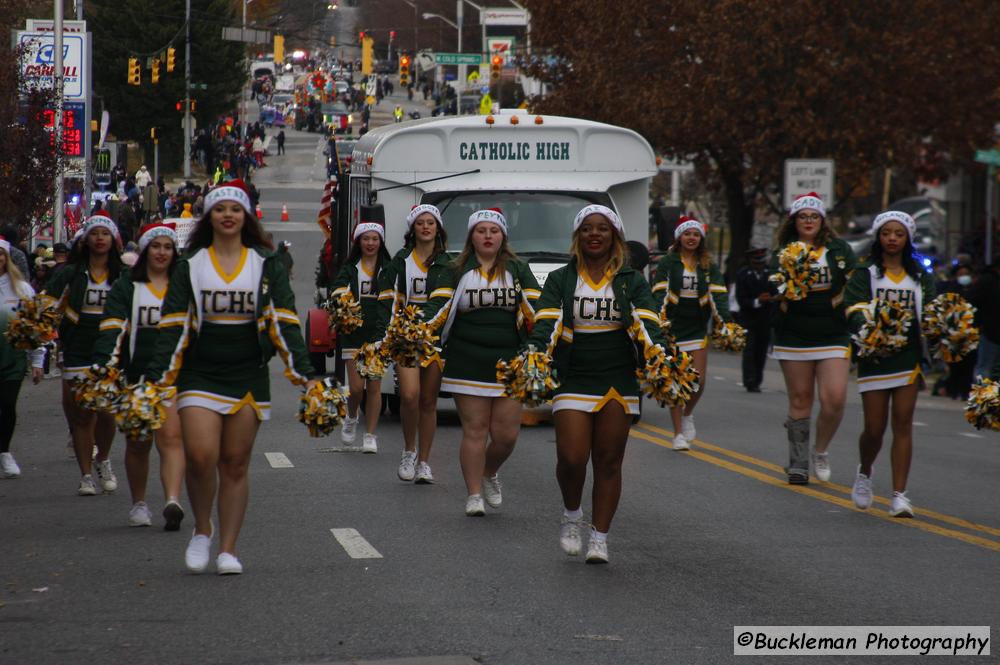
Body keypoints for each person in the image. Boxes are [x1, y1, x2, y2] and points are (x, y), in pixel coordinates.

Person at [144, 180, 316, 575]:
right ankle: (202, 529)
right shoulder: (191, 265)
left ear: (246, 217)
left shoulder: (265, 264)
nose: (227, 215)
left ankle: (228, 549)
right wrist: (157, 379)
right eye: (220, 208)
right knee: (202, 457)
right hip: (199, 373)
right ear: (210, 216)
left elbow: (285, 322)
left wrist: (306, 375)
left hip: (247, 374)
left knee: (235, 463)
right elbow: (172, 326)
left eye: (235, 209)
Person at [523, 205, 668, 563]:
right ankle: (572, 513)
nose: (594, 234)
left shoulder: (630, 280)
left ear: (614, 236)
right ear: (578, 236)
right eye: (587, 228)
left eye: (602, 228)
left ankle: (600, 537)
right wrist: (536, 352)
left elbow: (647, 321)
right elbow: (547, 321)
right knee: (571, 458)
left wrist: (659, 353)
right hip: (574, 373)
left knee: (608, 460)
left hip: (618, 375)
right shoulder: (560, 278)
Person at [421, 208, 541, 516]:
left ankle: (489, 472)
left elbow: (537, 308)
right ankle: (473, 494)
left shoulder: (518, 268)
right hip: (467, 357)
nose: (488, 236)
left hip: (509, 359)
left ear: (503, 236)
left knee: (506, 436)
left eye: (494, 231)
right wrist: (416, 328)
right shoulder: (454, 268)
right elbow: (439, 306)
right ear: (471, 236)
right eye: (481, 230)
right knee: (475, 429)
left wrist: (539, 343)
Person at [92, 223, 186, 529]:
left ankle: (172, 500)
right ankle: (140, 503)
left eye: (167, 247)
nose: (161, 252)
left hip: (173, 376)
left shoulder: (183, 286)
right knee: (138, 443)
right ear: (145, 251)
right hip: (136, 377)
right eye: (156, 246)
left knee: (171, 437)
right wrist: (104, 364)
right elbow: (111, 326)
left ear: (175, 252)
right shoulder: (127, 286)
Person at [844, 211, 935, 517]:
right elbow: (853, 307)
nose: (892, 238)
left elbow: (933, 312)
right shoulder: (866, 271)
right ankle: (865, 472)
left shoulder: (920, 275)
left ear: (908, 237)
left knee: (903, 422)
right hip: (874, 357)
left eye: (899, 233)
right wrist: (870, 328)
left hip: (908, 359)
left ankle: (899, 495)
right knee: (874, 428)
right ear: (878, 237)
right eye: (886, 233)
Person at [770, 193, 857, 484]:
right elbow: (773, 284)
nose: (808, 221)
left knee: (834, 398)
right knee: (801, 398)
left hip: (833, 332)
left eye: (814, 216)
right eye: (803, 217)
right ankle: (797, 463)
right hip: (794, 333)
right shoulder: (783, 251)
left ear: (822, 221)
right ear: (794, 221)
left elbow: (857, 283)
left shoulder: (840, 249)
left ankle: (820, 450)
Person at [43, 212, 124, 495]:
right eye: (95, 234)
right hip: (78, 346)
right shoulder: (70, 273)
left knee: (106, 411)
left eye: (105, 234)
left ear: (113, 240)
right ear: (85, 239)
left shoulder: (123, 274)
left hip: (111, 346)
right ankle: (86, 475)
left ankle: (103, 458)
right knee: (82, 414)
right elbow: (47, 305)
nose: (100, 239)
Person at [376, 205, 447, 484]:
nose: (426, 227)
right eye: (421, 223)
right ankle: (409, 450)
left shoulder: (446, 263)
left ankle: (425, 463)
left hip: (433, 337)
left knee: (428, 402)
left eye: (431, 223)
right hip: (405, 336)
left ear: (438, 228)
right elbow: (387, 296)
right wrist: (389, 332)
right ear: (413, 229)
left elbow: (447, 302)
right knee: (409, 396)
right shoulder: (401, 260)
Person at [652, 216, 734, 450]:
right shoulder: (669, 262)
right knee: (677, 381)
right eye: (687, 234)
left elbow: (718, 293)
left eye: (696, 234)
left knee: (698, 380)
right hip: (674, 327)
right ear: (679, 237)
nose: (691, 238)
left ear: (701, 238)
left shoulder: (708, 264)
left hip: (697, 326)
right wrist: (659, 321)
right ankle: (678, 434)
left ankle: (688, 414)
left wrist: (725, 321)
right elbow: (659, 292)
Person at [329, 216, 389, 454]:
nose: (371, 243)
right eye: (366, 239)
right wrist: (343, 303)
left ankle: (370, 435)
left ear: (381, 242)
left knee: (374, 387)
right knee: (356, 388)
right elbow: (337, 290)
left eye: (375, 239)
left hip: (377, 334)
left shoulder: (388, 268)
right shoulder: (350, 268)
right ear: (358, 242)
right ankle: (352, 416)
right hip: (353, 334)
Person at [0, 238, 45, 478]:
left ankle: (4, 452)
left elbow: (35, 325)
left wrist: (37, 360)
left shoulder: (22, 289)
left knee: (7, 406)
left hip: (12, 358)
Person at [735, 246, 773, 392]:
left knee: (761, 351)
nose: (759, 265)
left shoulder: (771, 274)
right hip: (748, 319)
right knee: (749, 350)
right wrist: (757, 300)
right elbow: (741, 298)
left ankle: (757, 380)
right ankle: (749, 380)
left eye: (761, 261)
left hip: (765, 319)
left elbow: (777, 292)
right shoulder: (743, 274)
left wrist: (770, 298)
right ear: (751, 261)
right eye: (756, 262)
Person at [968, 256, 1000, 380]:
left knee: (986, 367)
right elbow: (972, 301)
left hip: (990, 330)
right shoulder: (988, 281)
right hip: (989, 331)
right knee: (985, 367)